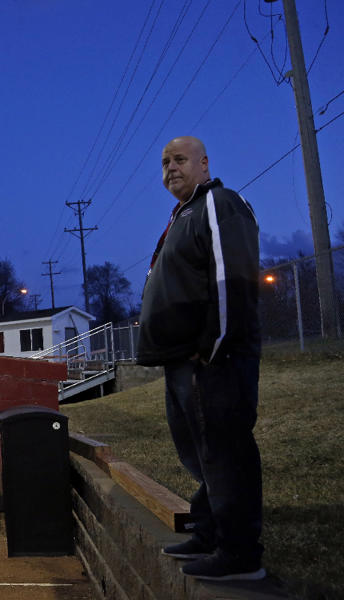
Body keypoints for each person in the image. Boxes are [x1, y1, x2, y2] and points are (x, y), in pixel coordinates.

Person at [137, 136, 265, 581]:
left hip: (212, 359)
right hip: (182, 361)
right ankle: (210, 532)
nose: (171, 168)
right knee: (201, 453)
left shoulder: (219, 202)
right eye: (165, 162)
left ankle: (241, 555)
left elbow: (232, 277)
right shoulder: (182, 213)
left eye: (180, 160)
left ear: (204, 163)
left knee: (224, 450)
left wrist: (215, 346)